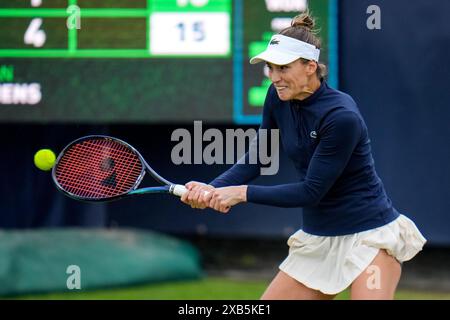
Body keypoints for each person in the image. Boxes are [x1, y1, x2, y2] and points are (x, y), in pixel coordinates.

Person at [180, 12, 426, 300]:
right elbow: (258, 158)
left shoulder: (341, 117)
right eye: (271, 68)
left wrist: (240, 193)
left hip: (369, 238)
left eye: (283, 68)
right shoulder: (276, 97)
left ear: (310, 66)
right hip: (317, 240)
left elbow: (311, 191)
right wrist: (214, 187)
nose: (275, 77)